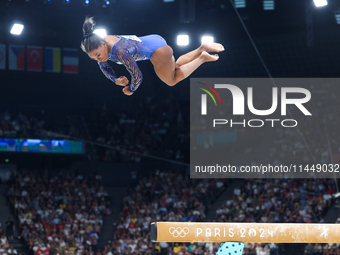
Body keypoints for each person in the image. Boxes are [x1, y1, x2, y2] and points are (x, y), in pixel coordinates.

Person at [80, 17, 224, 96]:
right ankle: (202, 48)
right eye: (94, 58)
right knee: (177, 67)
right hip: (155, 40)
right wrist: (115, 80)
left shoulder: (120, 52)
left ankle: (202, 58)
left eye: (98, 55)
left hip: (156, 52)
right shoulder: (104, 41)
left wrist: (130, 90)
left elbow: (138, 76)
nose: (98, 59)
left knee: (172, 80)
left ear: (103, 45)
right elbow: (103, 66)